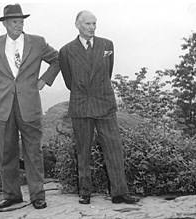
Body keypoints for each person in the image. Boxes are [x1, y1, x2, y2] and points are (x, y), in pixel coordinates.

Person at [0, 4, 60, 209]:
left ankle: (38, 195)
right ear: (5, 24)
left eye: (21, 21)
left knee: (33, 151)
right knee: (6, 152)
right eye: (14, 22)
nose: (18, 25)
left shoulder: (37, 42)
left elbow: (57, 60)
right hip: (4, 106)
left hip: (29, 105)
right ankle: (11, 195)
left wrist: (44, 80)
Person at [59, 10, 139, 205]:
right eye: (87, 24)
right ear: (77, 24)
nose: (92, 27)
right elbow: (69, 82)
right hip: (81, 105)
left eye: (94, 23)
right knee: (82, 151)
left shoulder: (107, 45)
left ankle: (120, 193)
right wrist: (85, 93)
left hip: (104, 103)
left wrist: (98, 91)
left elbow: (107, 72)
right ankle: (85, 192)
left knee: (114, 149)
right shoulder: (66, 51)